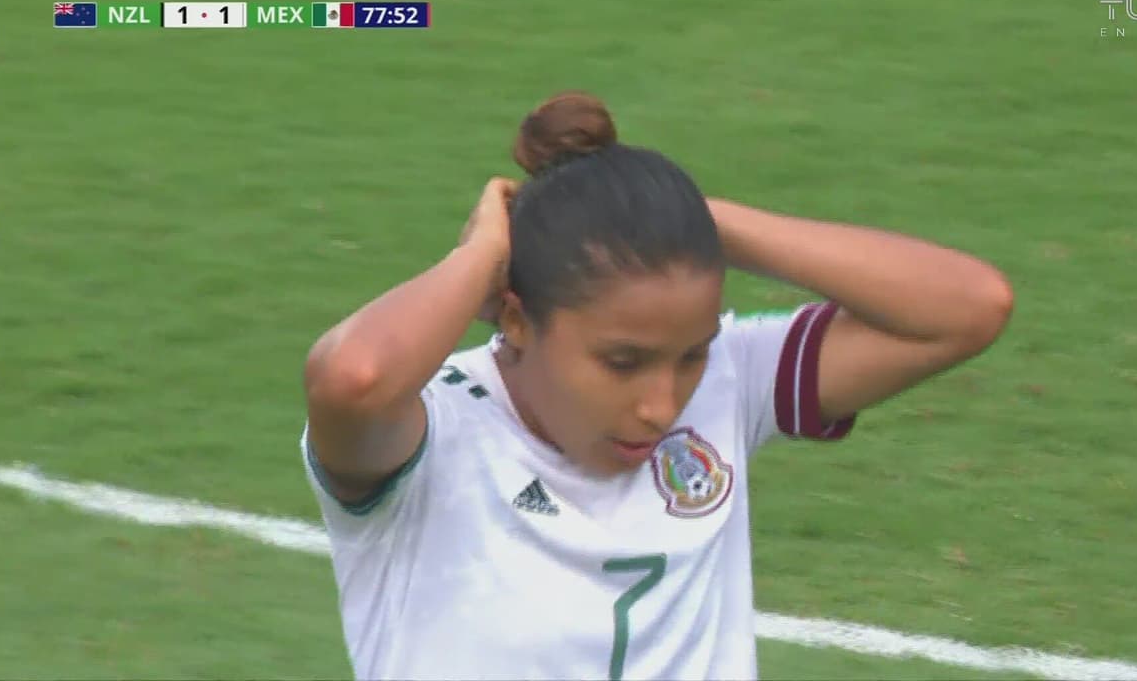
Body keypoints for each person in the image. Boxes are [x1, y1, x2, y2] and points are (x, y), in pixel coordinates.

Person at [299, 91, 1014, 681]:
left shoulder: (731, 379)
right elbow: (353, 378)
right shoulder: (434, 434)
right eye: (621, 362)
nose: (662, 406)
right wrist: (484, 251)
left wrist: (702, 223)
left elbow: (968, 308)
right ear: (516, 319)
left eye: (689, 356)